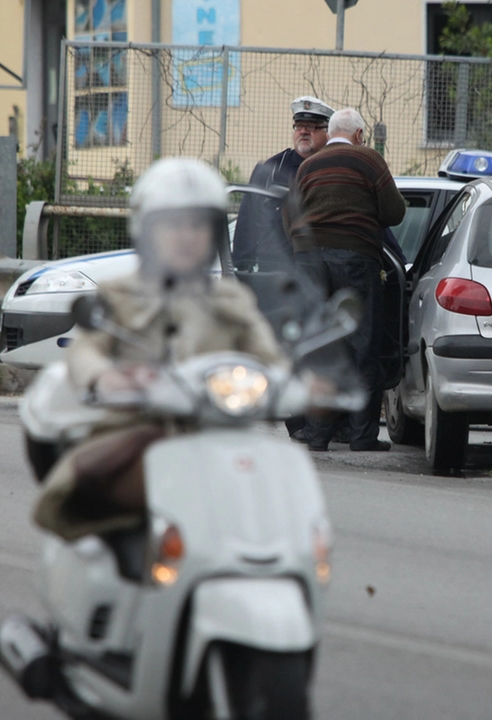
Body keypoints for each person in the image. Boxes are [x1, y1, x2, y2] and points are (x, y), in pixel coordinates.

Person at [33, 157, 287, 540]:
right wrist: (106, 377)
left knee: (272, 489)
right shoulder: (120, 295)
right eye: (173, 224)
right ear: (148, 229)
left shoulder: (231, 299)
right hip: (137, 431)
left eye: (198, 224)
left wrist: (303, 386)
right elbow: (86, 349)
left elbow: (270, 358)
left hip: (219, 436)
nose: (187, 235)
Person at [284, 108, 406, 452]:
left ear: (331, 131)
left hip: (309, 262)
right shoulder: (368, 160)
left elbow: (288, 213)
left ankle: (317, 436)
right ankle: (362, 436)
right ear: (359, 135)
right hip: (355, 259)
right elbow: (394, 213)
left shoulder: (307, 166)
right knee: (362, 347)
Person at [231, 96, 334, 273]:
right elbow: (248, 219)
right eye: (299, 126)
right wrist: (242, 265)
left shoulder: (334, 169)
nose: (303, 131)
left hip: (321, 271)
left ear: (327, 133)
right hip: (275, 272)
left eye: (311, 127)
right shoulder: (271, 170)